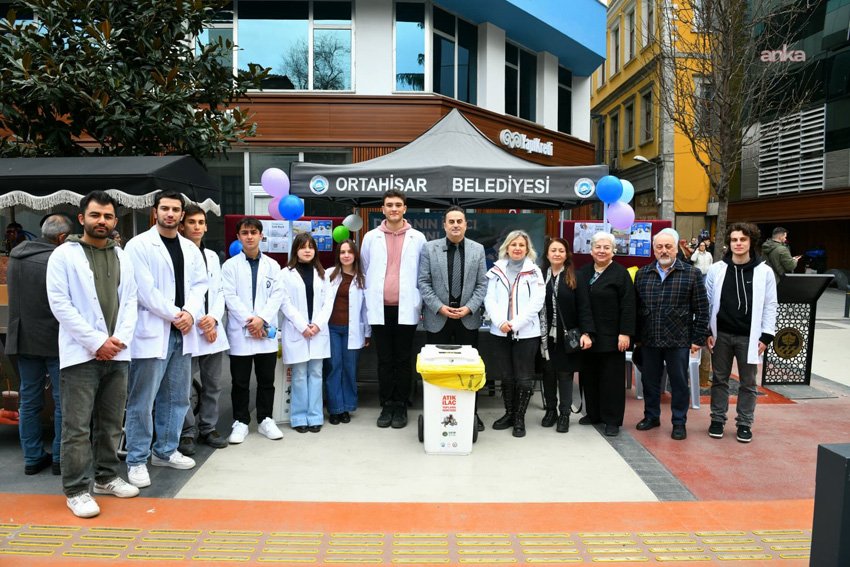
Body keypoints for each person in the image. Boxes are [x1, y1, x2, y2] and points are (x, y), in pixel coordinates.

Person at [46, 191, 139, 518]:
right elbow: (60, 305)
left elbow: (130, 301)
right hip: (81, 356)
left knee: (111, 423)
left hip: (117, 353)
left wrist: (118, 339)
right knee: (77, 427)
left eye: (108, 216)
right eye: (96, 215)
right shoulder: (63, 255)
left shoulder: (121, 255)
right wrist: (97, 341)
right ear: (81, 218)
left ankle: (105, 477)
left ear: (114, 221)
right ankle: (75, 490)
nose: (102, 221)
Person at [123, 191, 208, 489]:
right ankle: (136, 459)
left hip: (182, 332)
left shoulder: (190, 249)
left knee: (177, 397)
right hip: (153, 330)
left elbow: (200, 285)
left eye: (175, 209)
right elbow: (144, 290)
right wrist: (176, 314)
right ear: (155, 211)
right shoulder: (138, 246)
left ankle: (165, 451)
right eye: (165, 208)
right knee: (142, 400)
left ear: (182, 214)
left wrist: (190, 313)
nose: (170, 214)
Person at [6, 214, 72, 475]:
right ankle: (60, 458)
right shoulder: (56, 259)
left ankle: (32, 458)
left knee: (29, 401)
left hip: (23, 338)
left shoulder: (16, 256)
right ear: (62, 238)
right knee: (62, 401)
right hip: (54, 339)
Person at [633, 228, 709, 441]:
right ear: (653, 250)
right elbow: (636, 308)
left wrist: (697, 339)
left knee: (679, 383)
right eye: (659, 247)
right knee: (650, 382)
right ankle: (651, 416)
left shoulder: (691, 274)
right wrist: (636, 337)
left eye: (668, 246)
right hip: (649, 338)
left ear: (676, 249)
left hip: (679, 340)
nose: (664, 250)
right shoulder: (643, 274)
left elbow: (702, 309)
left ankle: (679, 422)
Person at [418, 206, 488, 431]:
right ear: (444, 225)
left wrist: (469, 308)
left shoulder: (477, 249)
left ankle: (471, 414)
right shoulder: (430, 248)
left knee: (469, 370)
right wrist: (439, 307)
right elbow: (423, 282)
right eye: (451, 221)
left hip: (467, 319)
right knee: (437, 369)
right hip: (438, 319)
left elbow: (482, 284)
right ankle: (435, 414)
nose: (455, 225)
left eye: (459, 221)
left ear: (466, 224)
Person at [706, 222, 777, 443]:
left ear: (751, 242)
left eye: (743, 239)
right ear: (729, 242)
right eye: (734, 239)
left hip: (750, 336)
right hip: (721, 335)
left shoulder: (764, 272)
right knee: (719, 379)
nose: (738, 243)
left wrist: (766, 336)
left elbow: (770, 304)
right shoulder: (717, 269)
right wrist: (707, 331)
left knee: (748, 382)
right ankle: (717, 419)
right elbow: (708, 302)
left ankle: (744, 423)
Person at [361, 189, 426, 429]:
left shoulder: (417, 238)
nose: (394, 209)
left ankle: (401, 405)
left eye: (398, 205)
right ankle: (386, 404)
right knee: (385, 359)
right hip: (380, 308)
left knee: (403, 359)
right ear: (383, 209)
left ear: (405, 208)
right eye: (389, 205)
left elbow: (422, 272)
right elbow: (366, 268)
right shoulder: (371, 237)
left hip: (406, 307)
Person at [221, 217, 284, 443]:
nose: (249, 236)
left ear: (261, 235)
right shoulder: (229, 266)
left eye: (253, 232)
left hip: (265, 331)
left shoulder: (273, 265)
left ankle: (266, 419)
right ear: (238, 237)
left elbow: (277, 295)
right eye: (245, 233)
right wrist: (251, 321)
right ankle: (240, 421)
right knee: (240, 382)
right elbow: (229, 296)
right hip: (241, 332)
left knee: (266, 380)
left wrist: (261, 320)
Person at [177, 205, 230, 455]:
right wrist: (201, 321)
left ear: (206, 226)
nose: (197, 226)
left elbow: (219, 291)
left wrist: (214, 319)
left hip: (212, 329)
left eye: (201, 222)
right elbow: (185, 294)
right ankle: (187, 431)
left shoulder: (212, 256)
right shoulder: (178, 254)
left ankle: (208, 427)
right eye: (192, 222)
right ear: (182, 226)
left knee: (213, 384)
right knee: (183, 386)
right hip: (190, 328)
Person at [484, 230, 545, 438]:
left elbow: (537, 302)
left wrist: (516, 324)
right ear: (507, 248)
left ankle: (519, 418)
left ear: (527, 249)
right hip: (500, 331)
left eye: (521, 245)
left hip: (526, 333)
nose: (517, 248)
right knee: (506, 377)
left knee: (524, 378)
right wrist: (500, 322)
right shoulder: (495, 270)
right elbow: (489, 299)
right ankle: (509, 414)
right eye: (513, 244)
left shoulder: (535, 272)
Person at [576, 231, 636, 437]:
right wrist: (583, 331)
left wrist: (625, 333)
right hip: (588, 336)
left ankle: (612, 420)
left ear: (613, 251)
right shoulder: (583, 272)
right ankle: (593, 414)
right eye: (598, 247)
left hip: (613, 337)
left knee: (612, 380)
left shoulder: (620, 274)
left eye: (606, 247)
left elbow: (628, 305)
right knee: (589, 377)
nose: (602, 251)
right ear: (591, 250)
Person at [279, 233, 334, 433]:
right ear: (296, 250)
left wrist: (317, 325)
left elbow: (328, 302)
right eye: (303, 247)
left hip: (318, 331)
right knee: (300, 375)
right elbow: (285, 302)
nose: (307, 250)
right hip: (297, 330)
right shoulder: (285, 274)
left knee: (317, 374)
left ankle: (315, 416)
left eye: (311, 247)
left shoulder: (323, 273)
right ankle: (299, 417)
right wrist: (303, 326)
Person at [538, 237, 593, 433]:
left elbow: (584, 307)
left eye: (561, 250)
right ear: (547, 254)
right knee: (548, 374)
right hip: (544, 337)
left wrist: (586, 333)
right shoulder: (539, 276)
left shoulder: (575, 276)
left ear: (566, 254)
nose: (557, 254)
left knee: (565, 375)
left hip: (567, 335)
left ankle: (564, 414)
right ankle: (550, 410)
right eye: (553, 250)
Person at [325, 239, 370, 425]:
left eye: (349, 252)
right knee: (334, 367)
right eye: (342, 252)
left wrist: (367, 332)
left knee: (350, 369)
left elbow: (366, 309)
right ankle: (335, 408)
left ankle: (347, 407)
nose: (346, 255)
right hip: (332, 329)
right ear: (338, 255)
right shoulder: (329, 274)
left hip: (353, 330)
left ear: (355, 255)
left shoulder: (362, 278)